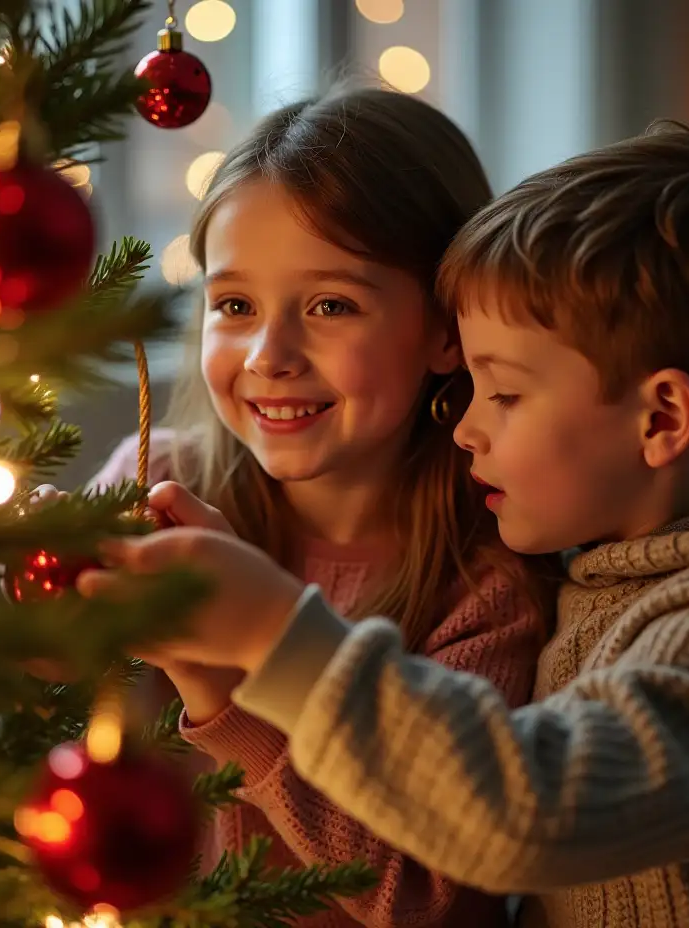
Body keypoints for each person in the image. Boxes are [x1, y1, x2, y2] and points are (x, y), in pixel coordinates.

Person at [79, 123, 689, 928]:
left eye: (503, 394)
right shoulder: (609, 567)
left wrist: (273, 635)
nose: (466, 427)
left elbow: (524, 814)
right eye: (231, 300)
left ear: (660, 418)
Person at [85, 85, 549, 927]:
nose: (270, 355)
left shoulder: (487, 584)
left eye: (330, 305)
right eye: (235, 306)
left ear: (448, 331)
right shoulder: (157, 479)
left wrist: (216, 676)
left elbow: (427, 902)